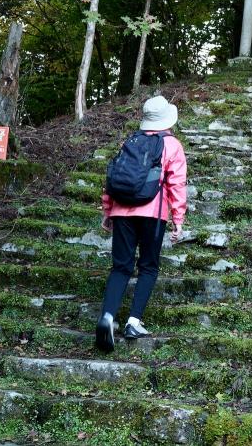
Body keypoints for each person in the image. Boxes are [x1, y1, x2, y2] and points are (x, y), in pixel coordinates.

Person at [95, 95, 187, 352]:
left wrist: (108, 210)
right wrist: (178, 219)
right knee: (148, 266)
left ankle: (107, 316)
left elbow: (113, 175)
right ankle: (133, 321)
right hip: (153, 214)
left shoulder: (131, 141)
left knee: (121, 267)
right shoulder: (172, 145)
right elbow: (176, 184)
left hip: (122, 212)